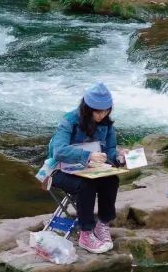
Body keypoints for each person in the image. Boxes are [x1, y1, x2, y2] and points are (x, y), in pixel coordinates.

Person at [47, 83, 128, 254]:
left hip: (90, 170)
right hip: (59, 171)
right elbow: (58, 151)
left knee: (111, 180)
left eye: (106, 111)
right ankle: (85, 233)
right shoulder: (69, 121)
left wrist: (119, 157)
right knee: (86, 185)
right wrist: (87, 156)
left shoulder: (106, 125)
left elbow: (109, 150)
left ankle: (102, 225)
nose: (102, 115)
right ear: (87, 108)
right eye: (98, 111)